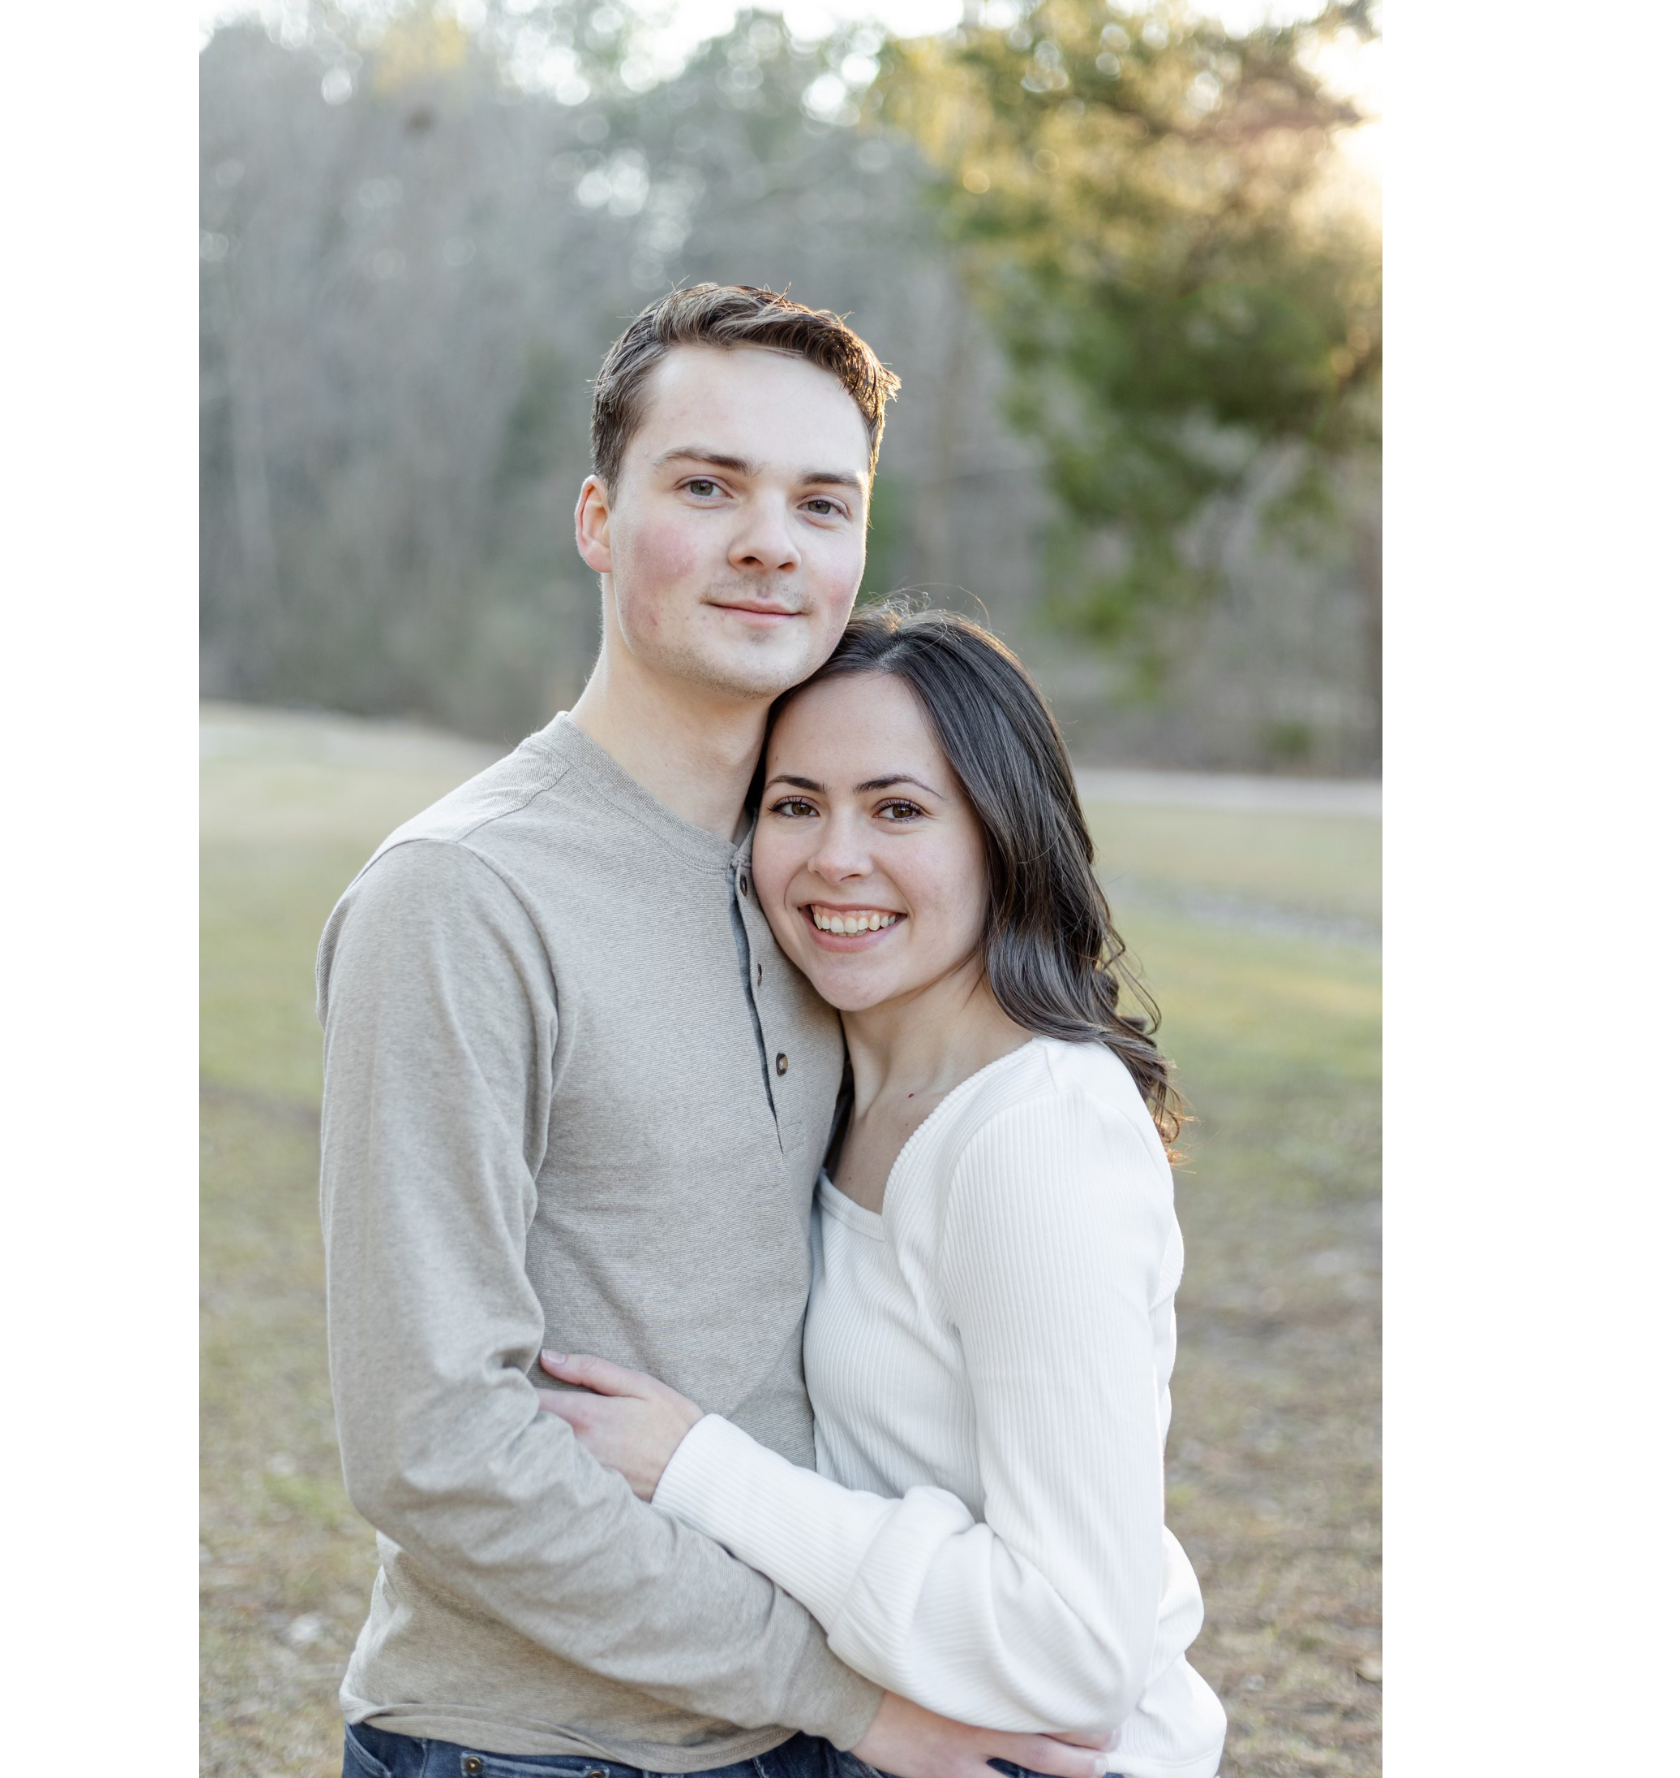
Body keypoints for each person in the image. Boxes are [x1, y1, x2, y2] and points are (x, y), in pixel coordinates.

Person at [317, 287, 1118, 1778]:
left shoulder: (821, 887)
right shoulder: (461, 895)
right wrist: (850, 1699)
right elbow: (434, 1448)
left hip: (801, 1719)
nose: (769, 542)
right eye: (706, 486)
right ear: (596, 519)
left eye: (821, 501)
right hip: (538, 1744)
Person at [535, 607, 1229, 1778]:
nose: (835, 857)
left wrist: (699, 1468)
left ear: (1002, 835)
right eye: (794, 803)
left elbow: (1074, 1647)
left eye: (897, 808)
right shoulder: (843, 1078)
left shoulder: (1031, 1136)